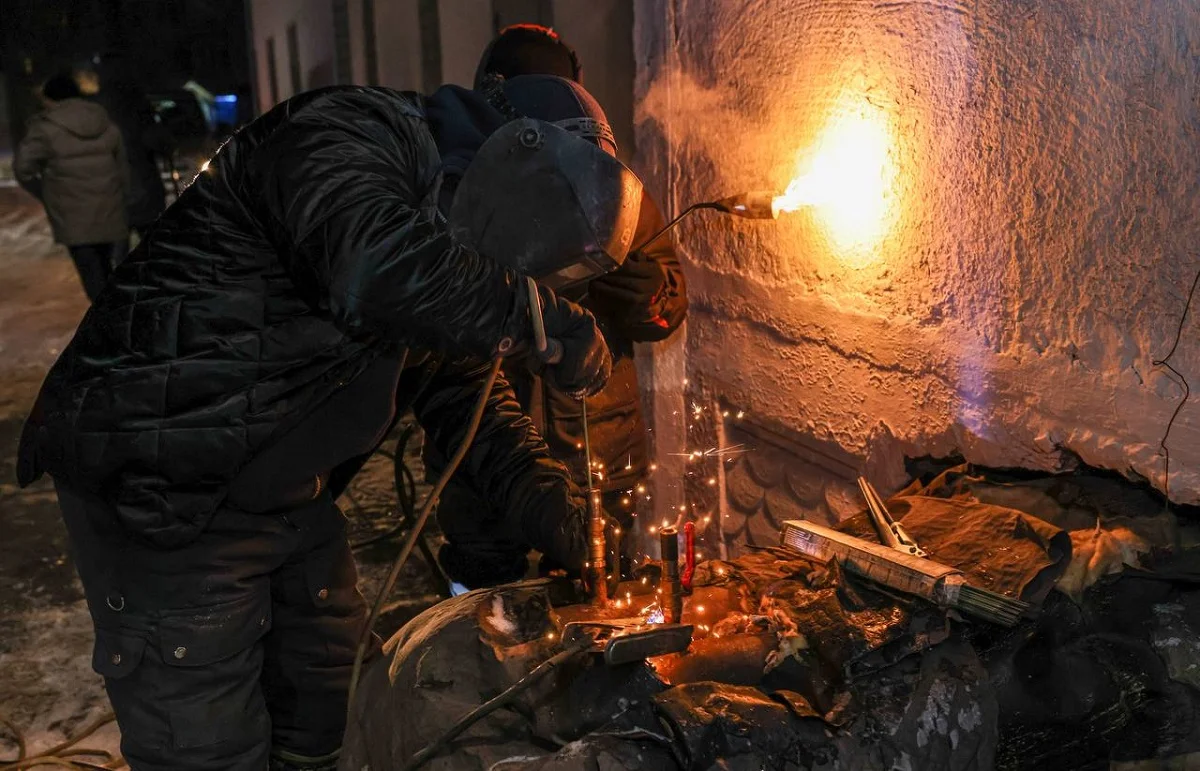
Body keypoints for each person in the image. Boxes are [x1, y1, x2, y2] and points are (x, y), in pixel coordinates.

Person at [17, 75, 632, 771]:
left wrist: (566, 516)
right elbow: (372, 264)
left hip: (284, 496)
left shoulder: (455, 252)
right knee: (210, 746)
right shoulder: (351, 133)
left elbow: (478, 418)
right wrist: (532, 317)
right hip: (164, 488)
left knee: (333, 716)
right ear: (514, 157)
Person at [429, 24, 688, 591]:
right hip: (488, 447)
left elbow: (665, 307)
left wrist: (639, 286)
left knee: (593, 599)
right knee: (487, 605)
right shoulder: (469, 192)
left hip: (600, 450)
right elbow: (438, 345)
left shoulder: (617, 189)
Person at [14, 73, 130, 301]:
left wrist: (45, 193)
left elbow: (22, 168)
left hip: (73, 216)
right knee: (108, 272)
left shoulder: (45, 128)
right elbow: (123, 170)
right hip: (109, 210)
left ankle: (110, 329)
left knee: (93, 279)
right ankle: (119, 324)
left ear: (50, 99)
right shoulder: (105, 122)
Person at [75, 62, 172, 237]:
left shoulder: (89, 110)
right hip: (144, 192)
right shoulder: (138, 106)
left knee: (117, 253)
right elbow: (160, 143)